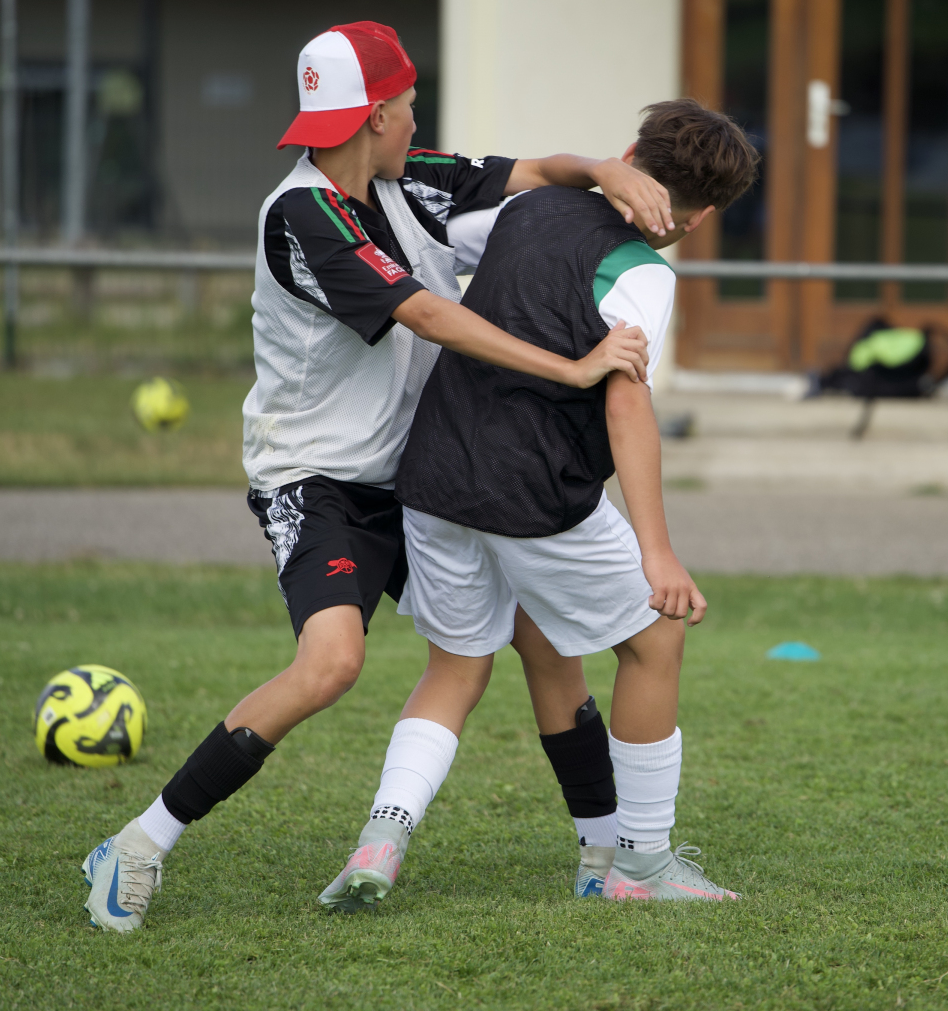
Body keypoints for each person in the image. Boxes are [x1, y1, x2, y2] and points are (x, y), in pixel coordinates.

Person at [82, 21, 678, 933]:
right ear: (374, 117)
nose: (415, 119)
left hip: (423, 475)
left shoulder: (411, 178)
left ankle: (604, 859)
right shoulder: (303, 213)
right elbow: (427, 314)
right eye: (406, 105)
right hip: (317, 481)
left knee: (543, 641)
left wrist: (603, 168)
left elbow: (531, 172)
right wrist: (571, 368)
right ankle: (138, 844)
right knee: (331, 665)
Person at [318, 99, 760, 908]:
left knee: (455, 667)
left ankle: (380, 841)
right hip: (531, 488)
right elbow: (626, 402)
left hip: (435, 472)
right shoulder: (643, 271)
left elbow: (439, 248)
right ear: (699, 219)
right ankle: (641, 869)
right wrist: (657, 552)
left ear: (629, 155)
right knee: (656, 636)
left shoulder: (526, 207)